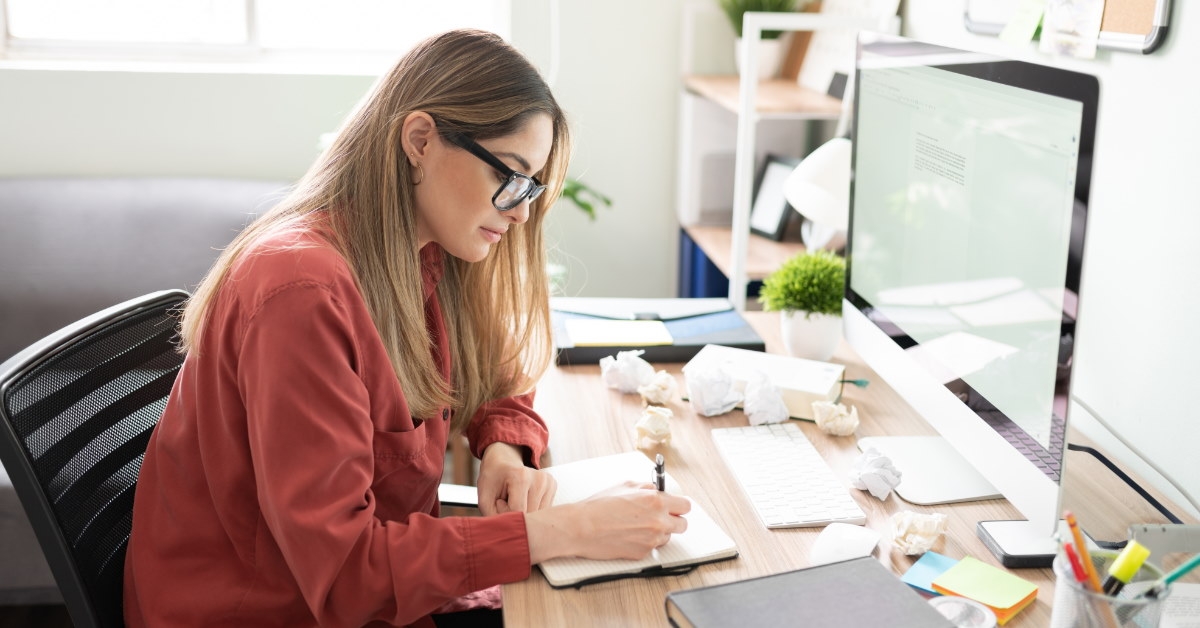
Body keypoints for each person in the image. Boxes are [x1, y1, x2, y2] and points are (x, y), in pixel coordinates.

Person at [123, 29, 691, 628]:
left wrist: (502, 448)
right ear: (420, 139)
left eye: (533, 187)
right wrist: (556, 532)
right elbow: (346, 577)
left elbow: (496, 370)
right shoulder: (301, 291)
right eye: (512, 177)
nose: (522, 211)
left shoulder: (426, 247)